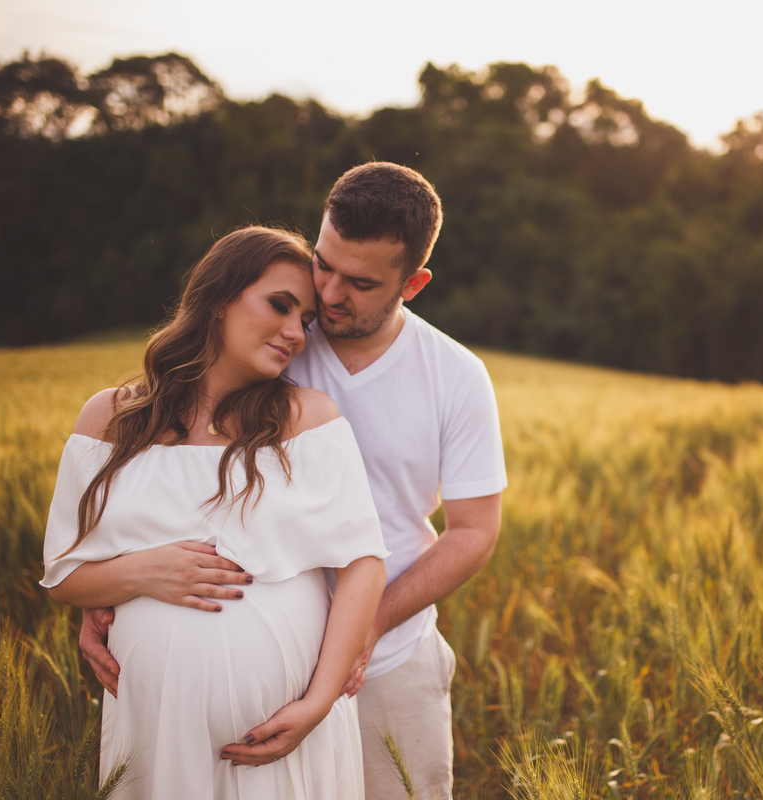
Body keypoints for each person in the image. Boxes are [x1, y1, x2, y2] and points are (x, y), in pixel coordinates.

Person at [80, 163, 508, 799]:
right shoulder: (274, 335)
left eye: (360, 283)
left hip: (388, 666)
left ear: (412, 284)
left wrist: (372, 622)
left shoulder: (456, 376)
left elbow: (473, 531)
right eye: (324, 263)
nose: (329, 293)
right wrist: (112, 589)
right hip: (259, 668)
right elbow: (171, 460)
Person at [43, 226, 389, 800]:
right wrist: (141, 573)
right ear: (219, 297)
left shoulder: (308, 418)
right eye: (279, 305)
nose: (293, 334)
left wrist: (318, 702)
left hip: (289, 725)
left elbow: (363, 563)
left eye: (304, 321)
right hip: (157, 729)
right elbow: (63, 573)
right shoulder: (109, 418)